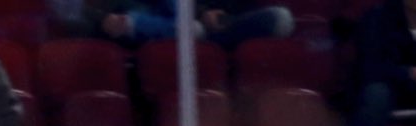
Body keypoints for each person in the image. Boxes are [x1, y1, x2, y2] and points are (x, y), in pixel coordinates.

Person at [94, 0, 292, 49]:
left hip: (207, 26)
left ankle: (190, 30)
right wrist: (104, 20)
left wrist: (207, 14)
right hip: (146, 18)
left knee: (279, 17)